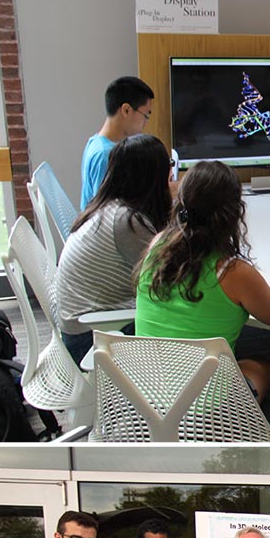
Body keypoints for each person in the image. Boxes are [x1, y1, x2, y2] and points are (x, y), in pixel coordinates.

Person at [135, 160, 270, 401]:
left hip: (146, 399)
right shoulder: (233, 271)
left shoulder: (157, 245)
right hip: (207, 420)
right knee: (262, 366)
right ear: (234, 213)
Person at [58, 133, 172, 366]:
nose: (170, 176)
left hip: (86, 327)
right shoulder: (126, 222)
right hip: (91, 340)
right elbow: (168, 281)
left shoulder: (108, 207)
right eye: (167, 169)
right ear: (152, 177)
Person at [80, 75, 155, 209]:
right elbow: (106, 214)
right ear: (126, 110)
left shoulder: (96, 141)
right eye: (146, 115)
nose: (146, 122)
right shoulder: (106, 155)